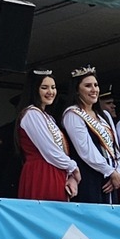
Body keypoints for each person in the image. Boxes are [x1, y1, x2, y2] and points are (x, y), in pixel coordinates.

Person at [61, 67, 120, 204]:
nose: (94, 89)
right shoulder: (73, 114)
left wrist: (118, 173)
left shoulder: (105, 115)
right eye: (88, 86)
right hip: (89, 176)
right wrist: (110, 171)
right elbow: (85, 150)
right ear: (77, 90)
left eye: (96, 85)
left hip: (111, 177)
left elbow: (115, 147)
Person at [15, 71, 78, 202]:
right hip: (41, 172)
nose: (50, 92)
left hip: (55, 170)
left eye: (53, 87)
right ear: (34, 90)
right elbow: (49, 149)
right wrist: (72, 167)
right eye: (44, 88)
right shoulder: (31, 114)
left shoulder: (48, 117)